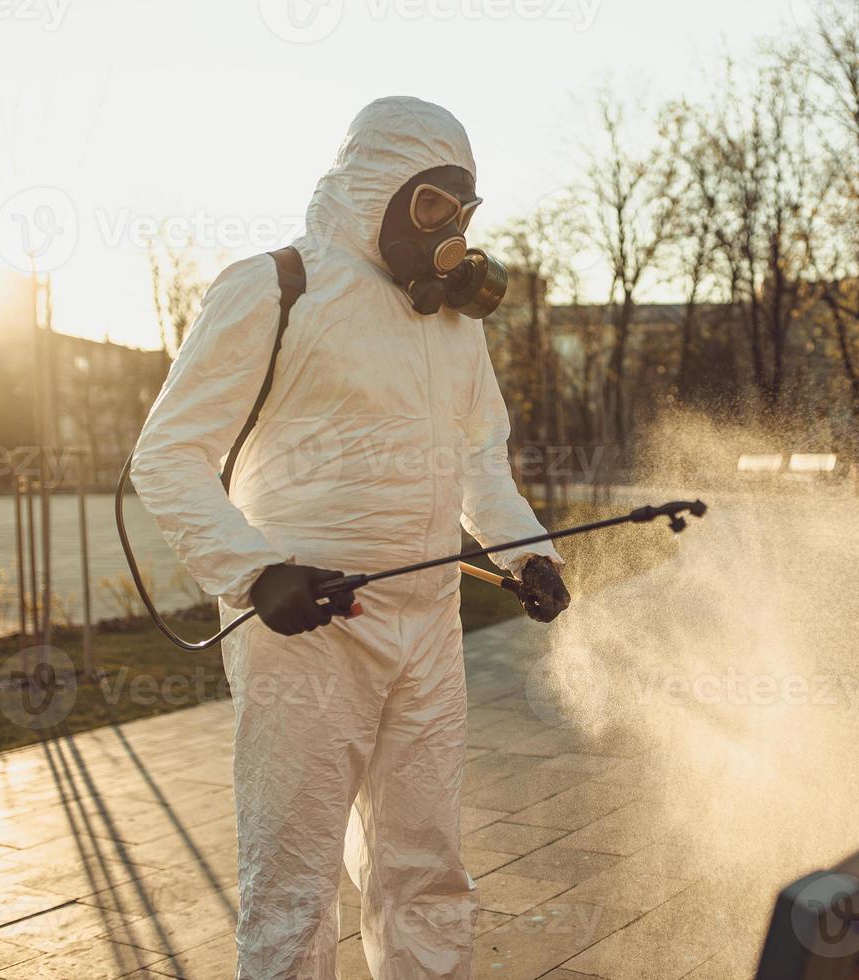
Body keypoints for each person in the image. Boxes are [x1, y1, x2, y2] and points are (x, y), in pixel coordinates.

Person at [131, 96, 570, 979]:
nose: (451, 225)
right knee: (293, 880)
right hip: (308, 627)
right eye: (431, 204)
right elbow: (168, 454)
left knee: (426, 867)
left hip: (429, 627)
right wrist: (256, 574)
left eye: (464, 206)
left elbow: (481, 461)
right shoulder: (274, 285)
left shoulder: (454, 324)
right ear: (378, 185)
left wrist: (527, 553)